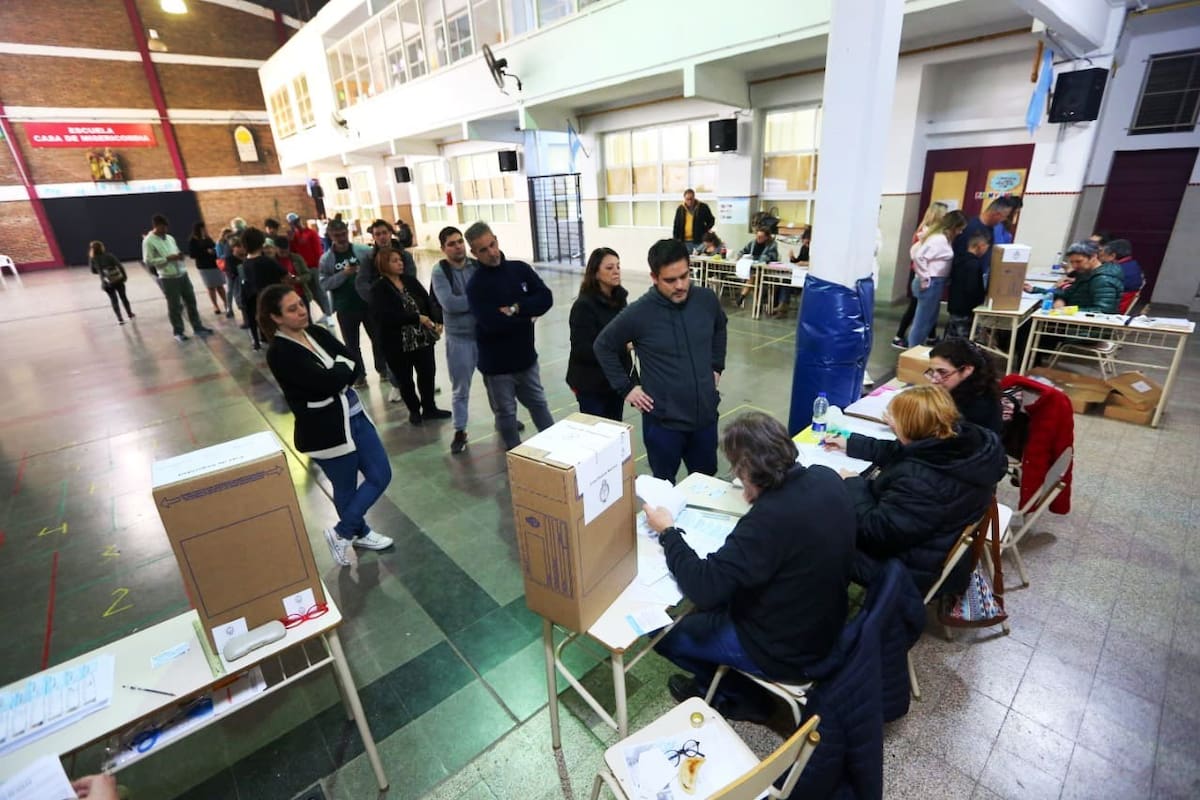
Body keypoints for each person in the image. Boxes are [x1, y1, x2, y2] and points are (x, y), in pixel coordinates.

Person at [642, 412, 855, 721]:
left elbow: (704, 588)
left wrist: (668, 533)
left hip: (788, 651)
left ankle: (739, 695)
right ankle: (731, 677)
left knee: (662, 634)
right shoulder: (826, 478)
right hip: (825, 624)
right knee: (716, 602)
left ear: (746, 470)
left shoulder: (768, 520)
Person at [821, 385, 1007, 596]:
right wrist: (851, 443)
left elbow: (875, 534)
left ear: (912, 426)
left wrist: (854, 483)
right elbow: (901, 451)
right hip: (924, 544)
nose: (889, 421)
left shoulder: (922, 482)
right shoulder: (958, 445)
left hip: (903, 569)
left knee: (818, 531)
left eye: (894, 418)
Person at [260, 284, 394, 567]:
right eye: (292, 309)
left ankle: (342, 532)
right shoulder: (280, 353)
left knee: (381, 474)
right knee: (345, 487)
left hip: (356, 416)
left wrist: (338, 373)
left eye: (301, 304)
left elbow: (353, 363)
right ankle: (360, 533)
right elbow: (325, 383)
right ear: (276, 317)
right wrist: (338, 371)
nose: (302, 311)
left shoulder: (317, 332)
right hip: (325, 430)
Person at [594, 238, 727, 482]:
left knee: (706, 481)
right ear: (654, 277)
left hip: (705, 419)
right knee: (663, 484)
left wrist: (716, 365)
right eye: (670, 280)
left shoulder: (706, 300)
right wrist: (626, 388)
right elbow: (603, 345)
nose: (680, 285)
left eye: (685, 276)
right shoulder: (639, 312)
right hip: (664, 425)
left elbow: (720, 327)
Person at [464, 222, 556, 450]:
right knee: (506, 413)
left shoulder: (520, 270)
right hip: (497, 368)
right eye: (483, 250)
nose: (491, 252)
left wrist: (515, 309)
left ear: (496, 239)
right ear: (474, 253)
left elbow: (545, 298)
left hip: (526, 360)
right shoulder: (476, 286)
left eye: (492, 244)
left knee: (539, 404)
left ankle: (557, 449)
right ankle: (515, 455)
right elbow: (491, 323)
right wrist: (528, 317)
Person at [369, 247, 451, 425]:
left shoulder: (410, 281)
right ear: (384, 264)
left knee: (427, 373)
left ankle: (430, 408)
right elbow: (385, 316)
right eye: (394, 261)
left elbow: (427, 300)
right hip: (397, 343)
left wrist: (436, 320)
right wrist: (416, 318)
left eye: (400, 260)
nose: (400, 263)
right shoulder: (379, 288)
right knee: (405, 379)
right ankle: (414, 410)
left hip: (422, 339)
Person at [567, 247, 634, 421]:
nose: (616, 271)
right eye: (609, 268)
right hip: (591, 383)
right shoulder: (583, 306)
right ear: (596, 273)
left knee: (615, 426)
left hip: (614, 380)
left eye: (618, 266)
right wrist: (622, 347)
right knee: (597, 428)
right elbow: (582, 350)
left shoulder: (619, 299)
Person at [430, 226, 480, 454]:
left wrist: (471, 300)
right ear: (443, 248)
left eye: (460, 241)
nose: (458, 246)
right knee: (460, 389)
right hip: (459, 339)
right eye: (451, 244)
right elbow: (449, 304)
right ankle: (460, 430)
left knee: (496, 382)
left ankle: (504, 419)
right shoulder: (440, 271)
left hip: (483, 334)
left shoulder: (476, 266)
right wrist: (479, 299)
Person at [318, 218, 376, 389]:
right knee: (351, 345)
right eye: (337, 235)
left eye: (343, 234)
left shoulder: (363, 251)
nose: (341, 238)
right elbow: (324, 284)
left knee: (378, 338)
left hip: (367, 304)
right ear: (330, 236)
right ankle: (359, 376)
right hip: (345, 307)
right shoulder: (326, 259)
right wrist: (343, 274)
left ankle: (383, 369)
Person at [142, 214, 213, 342]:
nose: (165, 230)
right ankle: (178, 332)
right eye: (163, 227)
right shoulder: (148, 241)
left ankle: (198, 327)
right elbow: (148, 260)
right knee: (175, 305)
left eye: (166, 227)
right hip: (168, 277)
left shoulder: (170, 238)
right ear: (156, 226)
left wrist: (179, 256)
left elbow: (176, 251)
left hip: (182, 273)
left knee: (191, 301)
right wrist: (167, 259)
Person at [907, 210, 967, 348]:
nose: (961, 232)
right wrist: (925, 278)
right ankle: (912, 350)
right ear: (953, 226)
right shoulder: (938, 239)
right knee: (922, 321)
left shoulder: (940, 238)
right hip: (931, 282)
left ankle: (916, 348)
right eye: (960, 228)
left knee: (929, 319)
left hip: (935, 282)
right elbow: (918, 256)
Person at [893, 202, 948, 348]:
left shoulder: (928, 231)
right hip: (921, 273)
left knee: (928, 309)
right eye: (944, 215)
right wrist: (924, 277)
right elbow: (916, 255)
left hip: (921, 273)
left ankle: (931, 337)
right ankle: (900, 336)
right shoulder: (926, 232)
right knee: (917, 308)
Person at [925, 338, 1003, 433]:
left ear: (967, 370)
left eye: (943, 372)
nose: (933, 380)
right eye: (932, 371)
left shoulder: (975, 408)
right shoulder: (969, 388)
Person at [1023, 241, 1123, 313]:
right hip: (1074, 319)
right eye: (1072, 262)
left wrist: (1064, 310)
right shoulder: (1086, 273)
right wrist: (1035, 289)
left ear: (1093, 257)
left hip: (1084, 328)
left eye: (1079, 261)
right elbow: (1068, 293)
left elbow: (1103, 310)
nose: (1074, 266)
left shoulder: (1102, 280)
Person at [239, 227, 288, 351]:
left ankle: (257, 341)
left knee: (259, 321)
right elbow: (284, 275)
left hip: (253, 298)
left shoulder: (245, 263)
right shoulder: (267, 261)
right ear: (261, 243)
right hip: (270, 298)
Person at [944, 231, 991, 339]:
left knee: (951, 336)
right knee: (962, 339)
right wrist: (980, 299)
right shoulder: (974, 265)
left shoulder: (958, 260)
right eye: (986, 247)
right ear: (980, 246)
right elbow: (972, 288)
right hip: (966, 309)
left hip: (955, 305)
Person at [89, 240, 135, 324]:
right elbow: (119, 265)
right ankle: (129, 314)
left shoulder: (93, 259)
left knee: (113, 300)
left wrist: (101, 272)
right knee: (123, 297)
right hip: (118, 280)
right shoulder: (109, 256)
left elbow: (92, 271)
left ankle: (120, 318)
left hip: (106, 282)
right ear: (101, 247)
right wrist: (124, 276)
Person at [770, 224, 811, 316]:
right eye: (804, 243)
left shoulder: (816, 250)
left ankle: (782, 306)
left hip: (807, 278)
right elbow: (799, 261)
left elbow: (816, 263)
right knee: (784, 281)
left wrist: (807, 263)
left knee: (788, 283)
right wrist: (792, 258)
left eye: (808, 243)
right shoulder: (804, 248)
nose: (806, 245)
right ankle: (781, 305)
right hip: (799, 273)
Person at [188, 222, 227, 315]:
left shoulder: (208, 238)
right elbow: (192, 254)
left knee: (220, 286)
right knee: (211, 287)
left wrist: (213, 251)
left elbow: (214, 247)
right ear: (199, 229)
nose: (205, 230)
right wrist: (205, 251)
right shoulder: (193, 240)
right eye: (203, 229)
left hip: (214, 264)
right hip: (204, 266)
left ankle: (226, 303)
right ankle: (215, 306)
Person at [735, 225, 780, 308]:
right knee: (754, 278)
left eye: (761, 237)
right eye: (757, 236)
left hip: (766, 271)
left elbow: (772, 257)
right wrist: (739, 256)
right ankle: (757, 303)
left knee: (753, 277)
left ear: (766, 237)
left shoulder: (772, 245)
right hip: (752, 269)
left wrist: (759, 259)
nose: (758, 238)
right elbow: (743, 251)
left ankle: (743, 295)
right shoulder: (753, 243)